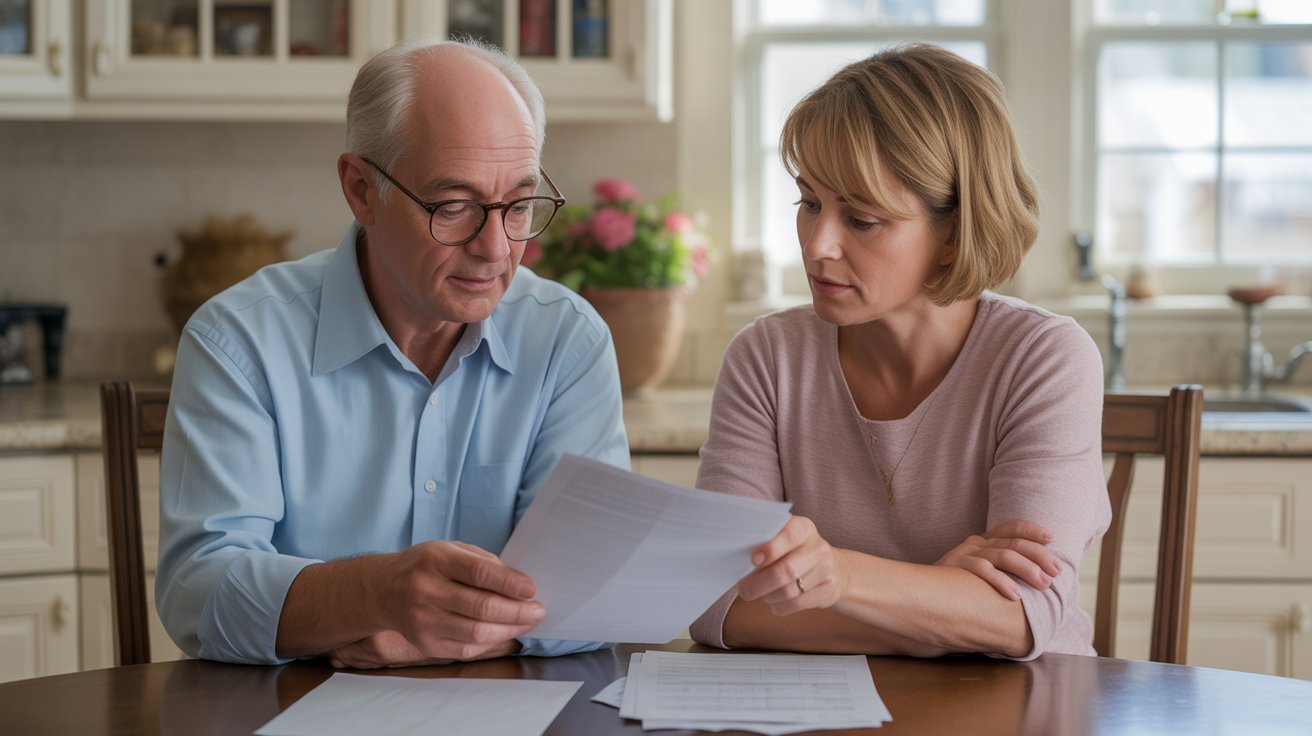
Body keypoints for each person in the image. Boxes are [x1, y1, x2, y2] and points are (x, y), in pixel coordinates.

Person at [155, 38, 629, 667]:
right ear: (360, 190)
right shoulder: (239, 341)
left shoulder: (567, 339)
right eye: (453, 206)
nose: (496, 248)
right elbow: (198, 592)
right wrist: (374, 593)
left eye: (519, 205)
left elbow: (598, 578)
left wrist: (437, 639)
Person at [689, 43, 1110, 660]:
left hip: (1022, 711)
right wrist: (941, 605)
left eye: (861, 219)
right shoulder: (766, 358)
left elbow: (1022, 618)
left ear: (953, 233)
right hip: (826, 714)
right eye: (809, 203)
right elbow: (713, 604)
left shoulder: (1044, 358)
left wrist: (839, 575)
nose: (817, 246)